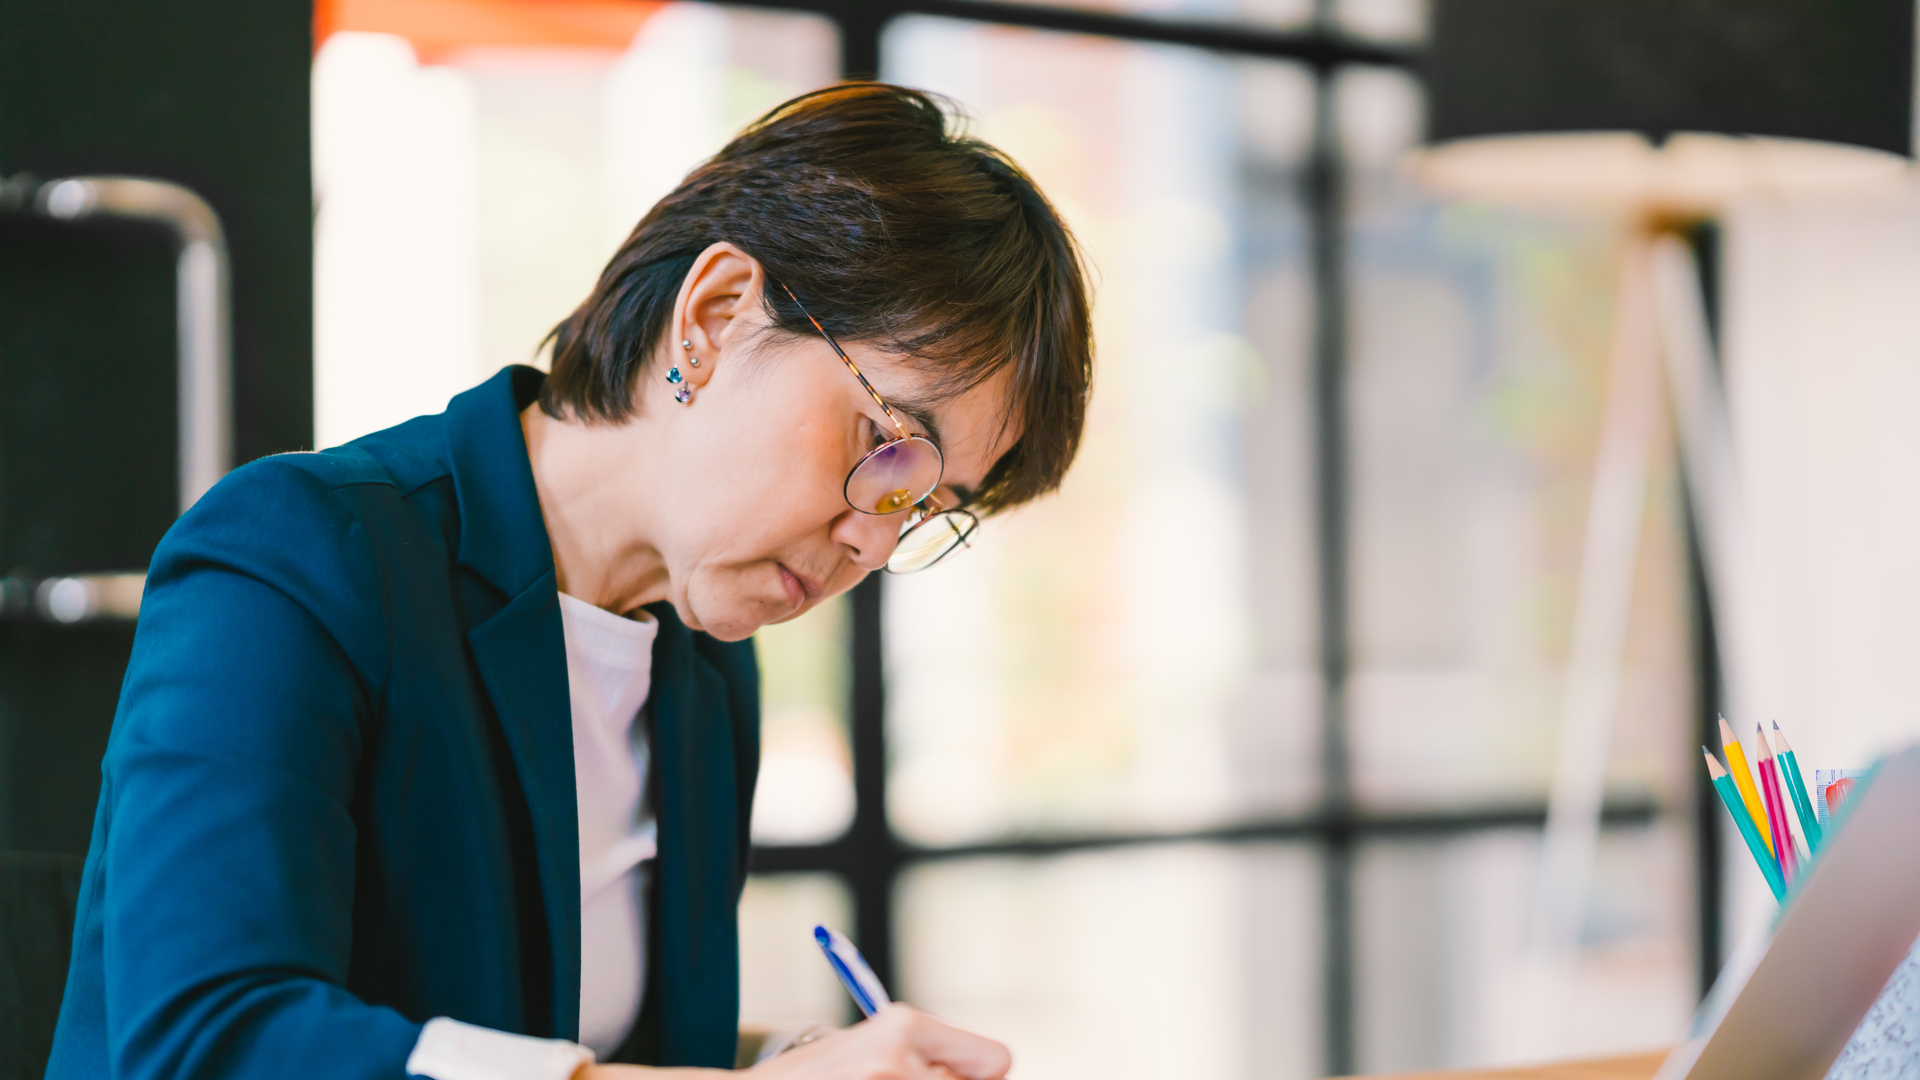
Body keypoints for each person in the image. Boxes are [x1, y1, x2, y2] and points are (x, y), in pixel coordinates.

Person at [45, 83, 1092, 1080]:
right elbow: (213, 1045)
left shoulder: (703, 665)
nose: (871, 543)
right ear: (718, 314)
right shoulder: (303, 553)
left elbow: (572, 1032)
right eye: (890, 445)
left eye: (924, 505)